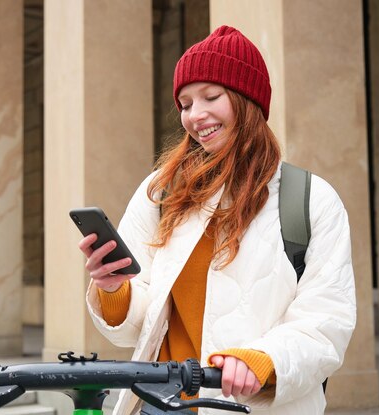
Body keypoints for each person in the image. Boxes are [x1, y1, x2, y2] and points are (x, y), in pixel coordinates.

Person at [79, 25, 356, 415]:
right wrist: (112, 290)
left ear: (248, 100)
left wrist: (263, 359)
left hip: (253, 405)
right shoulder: (161, 192)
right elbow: (137, 326)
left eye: (211, 97)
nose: (196, 115)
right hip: (161, 402)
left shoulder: (311, 200)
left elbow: (328, 321)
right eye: (186, 103)